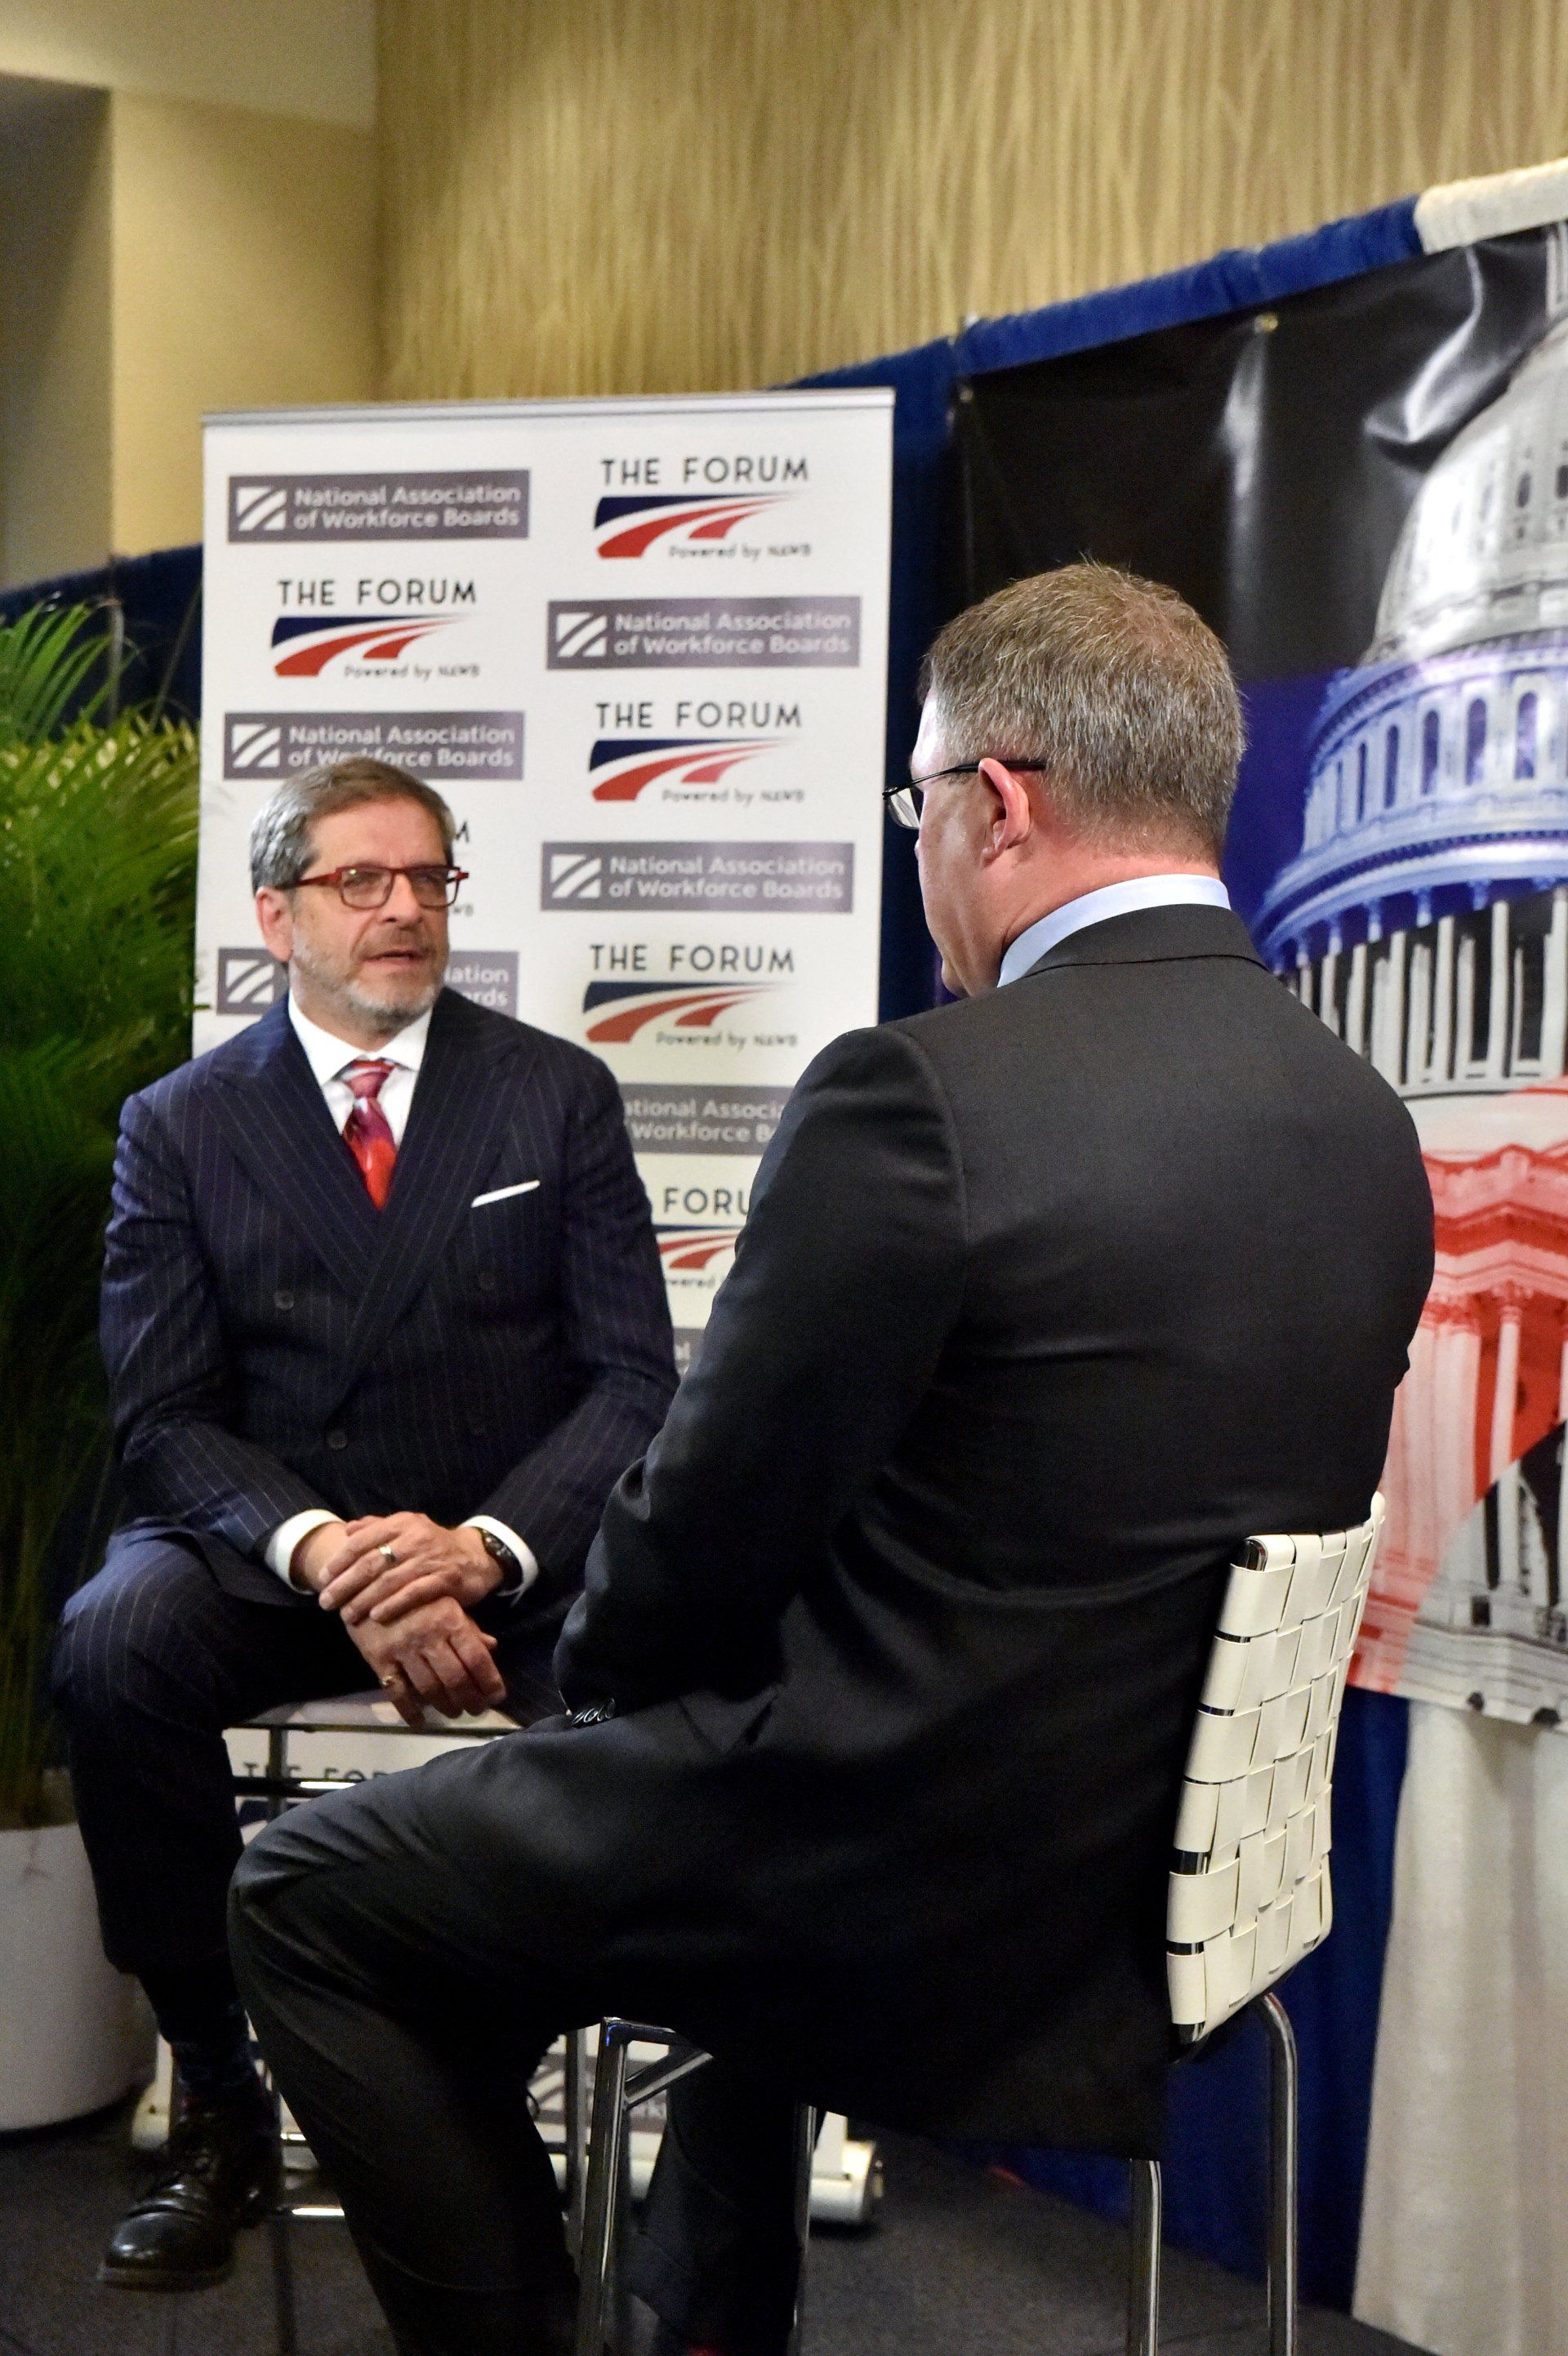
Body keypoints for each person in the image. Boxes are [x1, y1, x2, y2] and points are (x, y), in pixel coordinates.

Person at [229, 568, 1435, 2356]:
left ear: (1000, 802)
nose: (921, 850)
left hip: (900, 1889)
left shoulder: (920, 1096)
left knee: (307, 1892)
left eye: (919, 807)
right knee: (701, 1775)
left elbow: (691, 1550)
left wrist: (595, 1701)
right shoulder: (1364, 1118)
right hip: (1161, 1892)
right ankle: (712, 2313)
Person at [52, 756, 676, 2292]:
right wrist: (337, 1555)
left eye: (430, 879)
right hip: (278, 1549)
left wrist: (476, 1551)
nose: (405, 908)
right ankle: (216, 2089)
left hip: (505, 1550)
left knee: (696, 1639)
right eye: (362, 881)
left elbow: (630, 1383)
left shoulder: (555, 1090)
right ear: (278, 914)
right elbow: (166, 1418)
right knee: (108, 1643)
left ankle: (541, 2089)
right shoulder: (179, 1126)